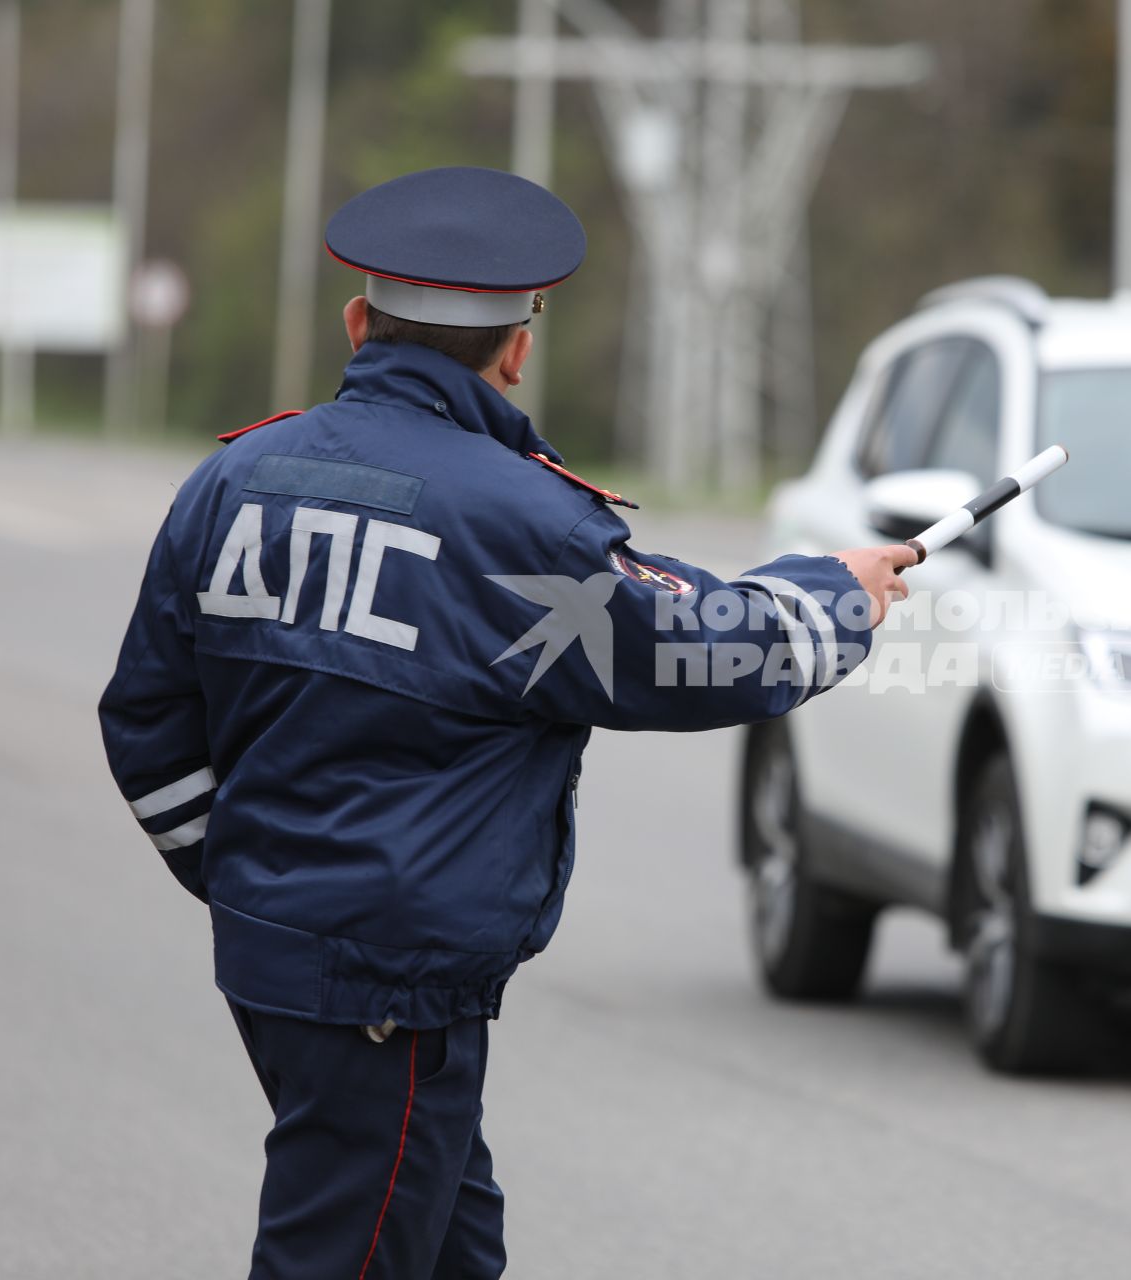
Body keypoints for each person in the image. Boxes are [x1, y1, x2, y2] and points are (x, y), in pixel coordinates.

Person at [98, 165, 917, 1279]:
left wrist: (251, 878)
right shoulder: (518, 517)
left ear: (358, 322)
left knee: (446, 1247)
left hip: (287, 958)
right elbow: (692, 655)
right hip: (386, 979)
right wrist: (839, 595)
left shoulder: (235, 478)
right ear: (519, 345)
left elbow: (145, 716)